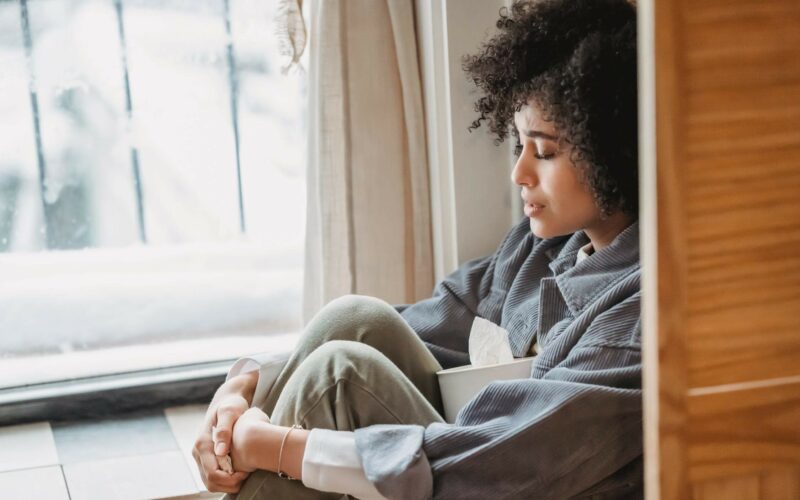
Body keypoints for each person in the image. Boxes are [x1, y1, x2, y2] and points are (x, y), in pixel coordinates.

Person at [193, 0, 641, 498]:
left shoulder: (636, 320)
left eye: (546, 152)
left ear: (614, 148)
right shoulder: (541, 250)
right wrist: (242, 388)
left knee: (339, 375)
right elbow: (414, 323)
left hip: (496, 481)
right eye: (519, 147)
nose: (519, 174)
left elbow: (489, 466)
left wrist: (275, 447)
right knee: (354, 319)